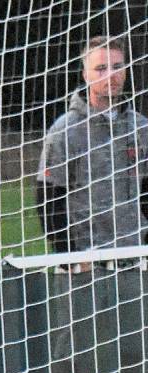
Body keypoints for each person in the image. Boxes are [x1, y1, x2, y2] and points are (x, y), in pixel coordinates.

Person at [37, 36, 148, 270]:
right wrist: (71, 258)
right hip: (85, 266)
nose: (111, 75)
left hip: (136, 258)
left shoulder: (140, 127)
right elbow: (48, 199)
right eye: (100, 68)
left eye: (117, 67)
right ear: (85, 75)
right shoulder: (65, 130)